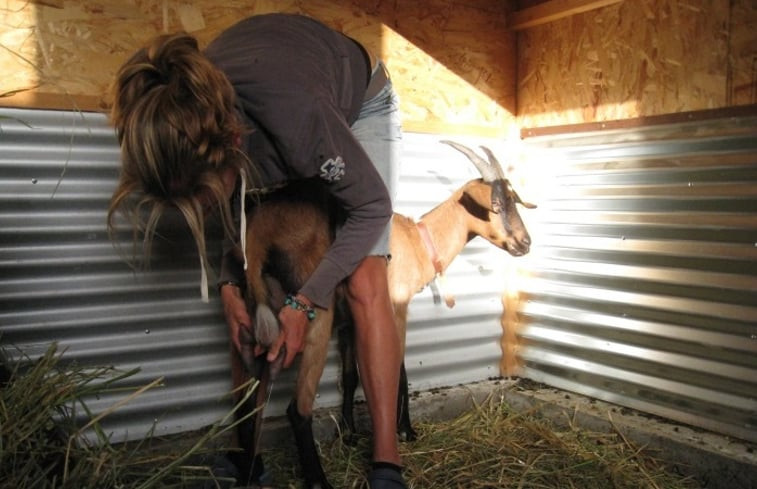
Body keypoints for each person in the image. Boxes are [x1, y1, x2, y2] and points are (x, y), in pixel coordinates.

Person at [107, 12, 406, 489]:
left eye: (204, 200)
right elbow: (231, 207)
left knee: (363, 280)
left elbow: (373, 207)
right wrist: (229, 285)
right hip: (277, 109)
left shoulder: (298, 120)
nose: (207, 210)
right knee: (249, 298)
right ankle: (247, 453)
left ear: (232, 145)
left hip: (355, 102)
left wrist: (304, 302)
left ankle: (387, 464)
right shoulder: (199, 122)